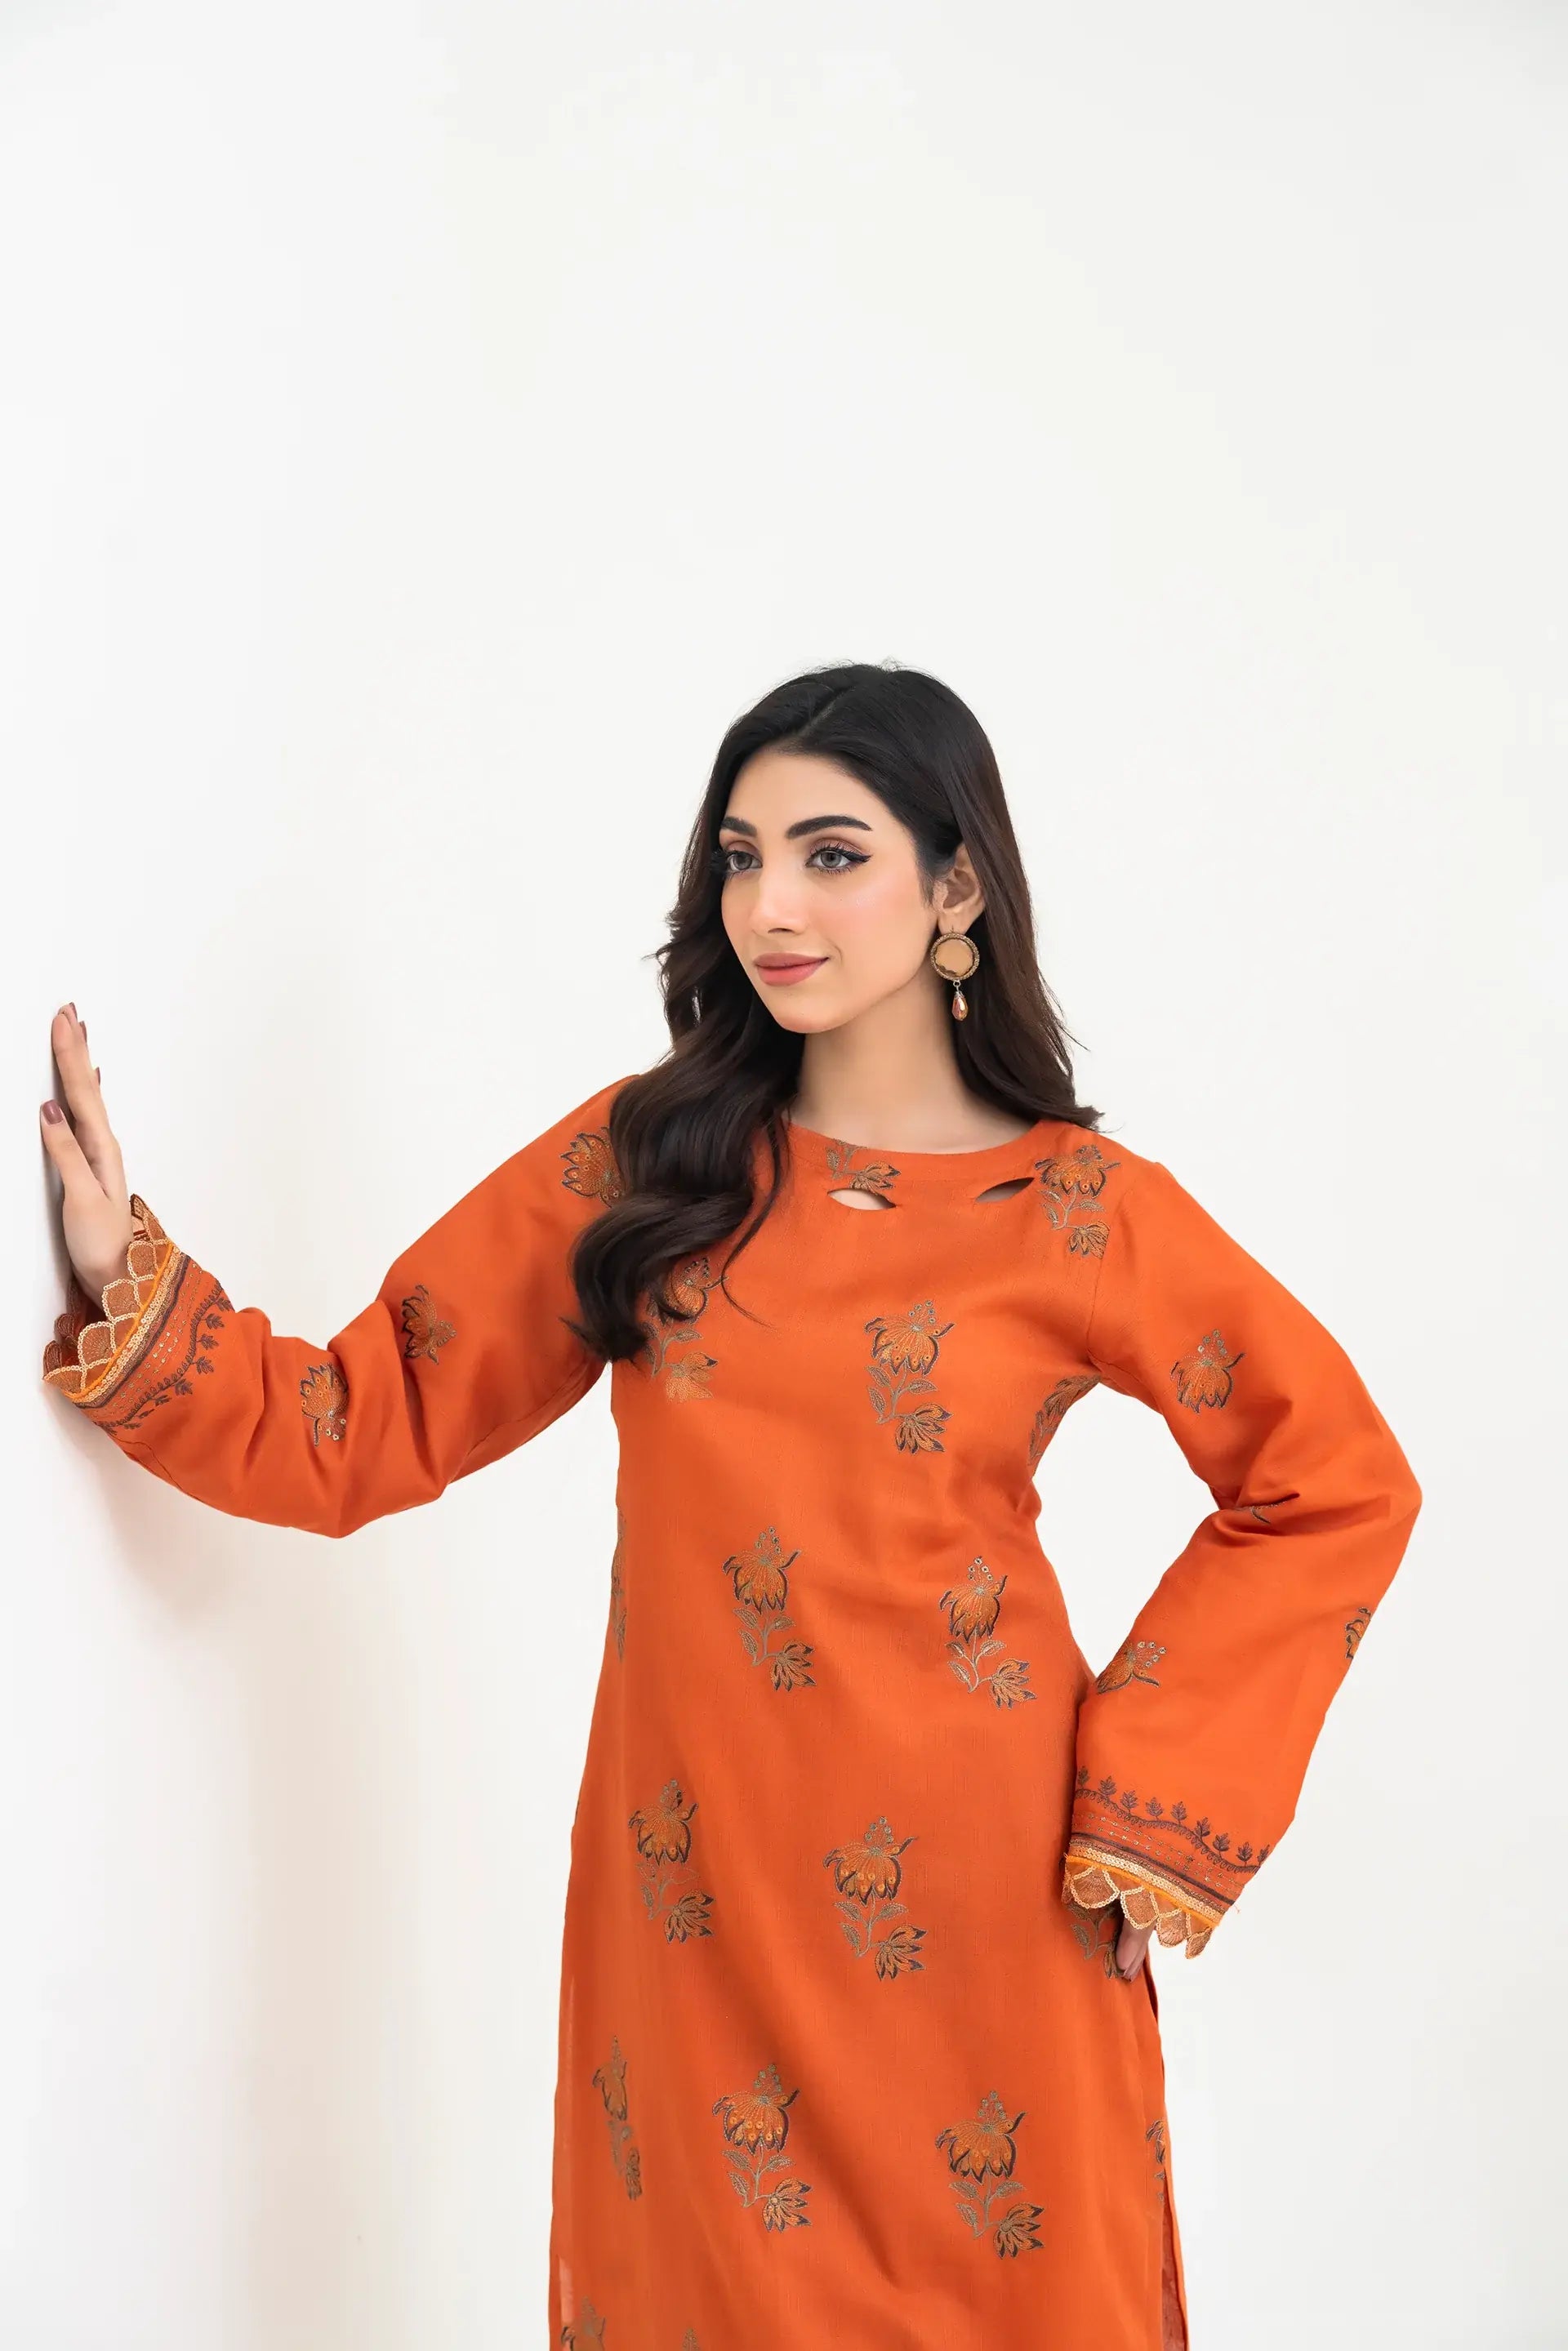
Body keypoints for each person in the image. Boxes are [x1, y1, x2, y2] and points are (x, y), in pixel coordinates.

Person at [38, 661, 1421, 2350]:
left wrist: (1155, 1800)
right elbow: (363, 1419)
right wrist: (129, 1275)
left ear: (957, 887)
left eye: (833, 855)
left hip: (987, 1900)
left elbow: (1332, 1479)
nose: (771, 905)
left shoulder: (1078, 1210)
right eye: (743, 856)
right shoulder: (654, 1164)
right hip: (700, 1903)